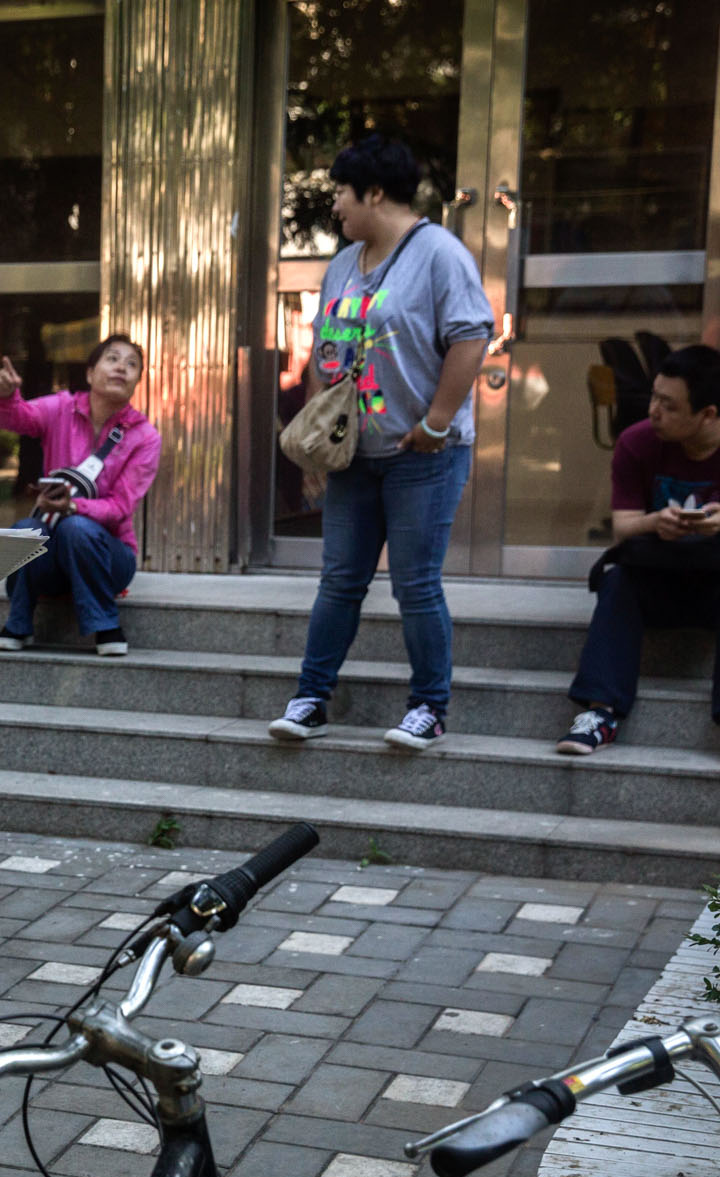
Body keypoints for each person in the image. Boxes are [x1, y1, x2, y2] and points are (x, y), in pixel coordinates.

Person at [269, 135, 492, 751]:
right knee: (339, 579)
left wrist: (438, 423)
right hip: (353, 456)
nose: (335, 206)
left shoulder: (439, 254)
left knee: (415, 583)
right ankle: (311, 698)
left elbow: (472, 338)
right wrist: (320, 434)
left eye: (341, 192)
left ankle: (429, 706)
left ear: (373, 192)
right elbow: (325, 348)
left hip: (424, 454)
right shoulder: (344, 262)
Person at [556, 345, 720, 769]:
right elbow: (624, 525)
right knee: (617, 579)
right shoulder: (636, 442)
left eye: (669, 405)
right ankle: (600, 713)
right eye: (654, 398)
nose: (654, 412)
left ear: (708, 413)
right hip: (659, 579)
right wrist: (655, 523)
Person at [0, 335, 161, 656]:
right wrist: (5, 395)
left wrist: (74, 506)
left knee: (75, 527)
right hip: (53, 562)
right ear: (91, 373)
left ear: (138, 381)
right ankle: (18, 623)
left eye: (131, 364)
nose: (121, 367)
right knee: (26, 529)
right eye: (112, 359)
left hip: (111, 559)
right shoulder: (61, 408)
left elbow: (121, 506)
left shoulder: (145, 437)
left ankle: (106, 625)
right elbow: (12, 417)